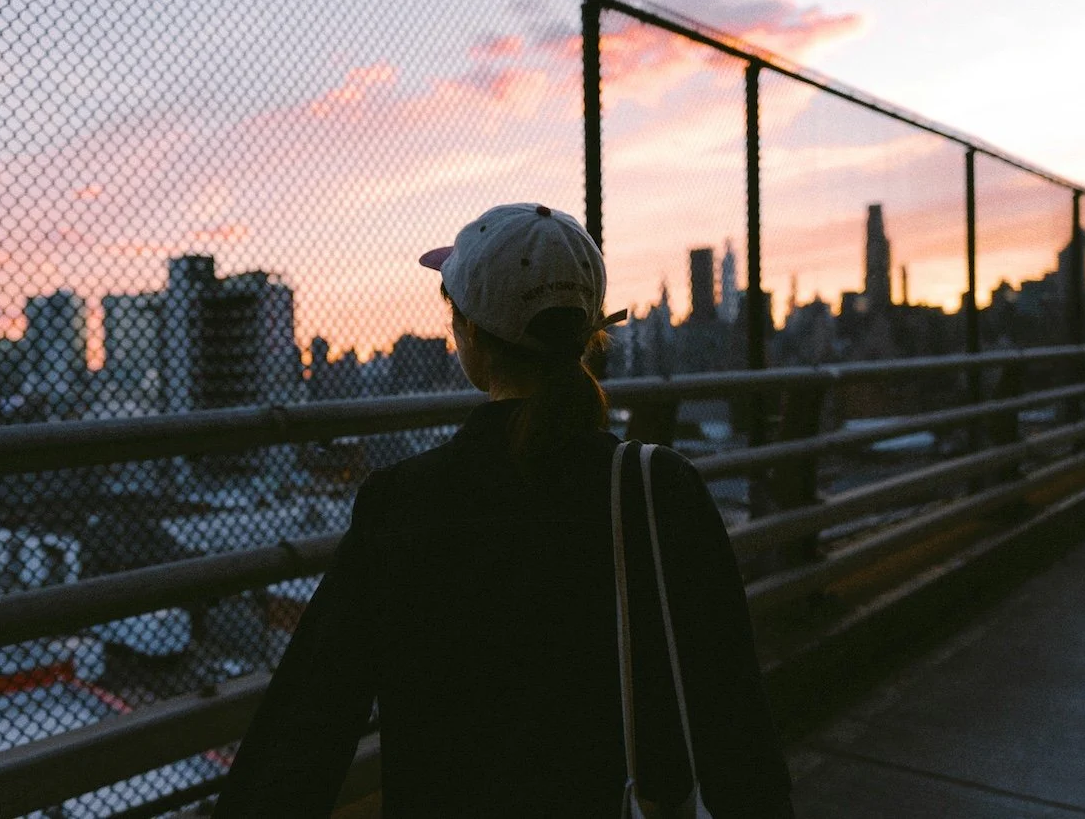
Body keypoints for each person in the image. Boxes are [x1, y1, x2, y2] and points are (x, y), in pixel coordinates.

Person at [214, 203, 793, 818]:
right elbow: (735, 716)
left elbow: (309, 722)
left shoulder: (402, 506)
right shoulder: (661, 489)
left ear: (469, 337)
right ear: (591, 330)